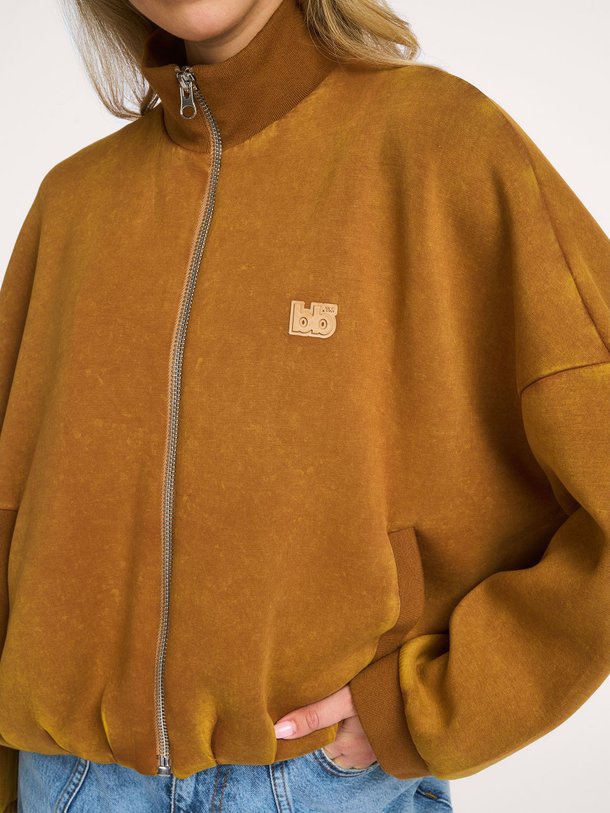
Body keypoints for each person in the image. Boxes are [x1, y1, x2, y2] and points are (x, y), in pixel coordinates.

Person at [1, 0, 609, 810]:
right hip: (71, 781)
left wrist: (427, 706)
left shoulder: (441, 146)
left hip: (318, 782)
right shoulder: (74, 204)